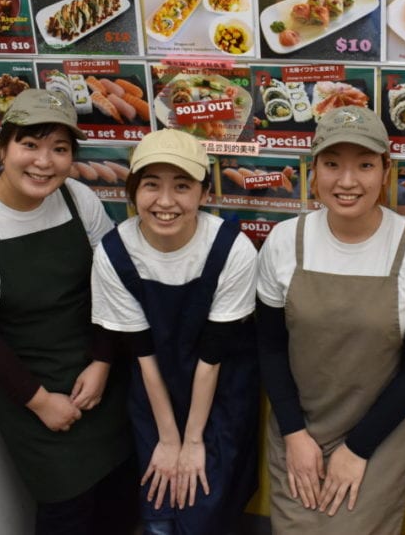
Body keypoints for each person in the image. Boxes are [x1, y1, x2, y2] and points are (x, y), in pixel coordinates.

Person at [0, 88, 137, 535]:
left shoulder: (76, 199)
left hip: (100, 379)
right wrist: (42, 402)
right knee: (67, 509)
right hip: (33, 396)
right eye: (30, 144)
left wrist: (104, 361)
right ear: (2, 148)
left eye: (59, 149)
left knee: (121, 499)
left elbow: (110, 284)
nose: (44, 162)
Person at [256, 105, 405, 533]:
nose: (347, 182)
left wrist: (358, 449)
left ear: (386, 170)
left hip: (381, 433)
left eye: (365, 165)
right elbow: (271, 347)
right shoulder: (284, 242)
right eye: (332, 164)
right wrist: (294, 433)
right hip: (301, 424)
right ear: (313, 170)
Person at [90, 129, 260, 535]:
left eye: (182, 186)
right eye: (151, 185)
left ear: (203, 194)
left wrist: (194, 441)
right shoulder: (114, 252)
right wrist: (169, 439)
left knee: (205, 500)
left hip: (219, 390)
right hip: (154, 388)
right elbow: (142, 352)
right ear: (132, 193)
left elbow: (212, 355)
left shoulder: (232, 250)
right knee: (160, 499)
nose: (165, 202)